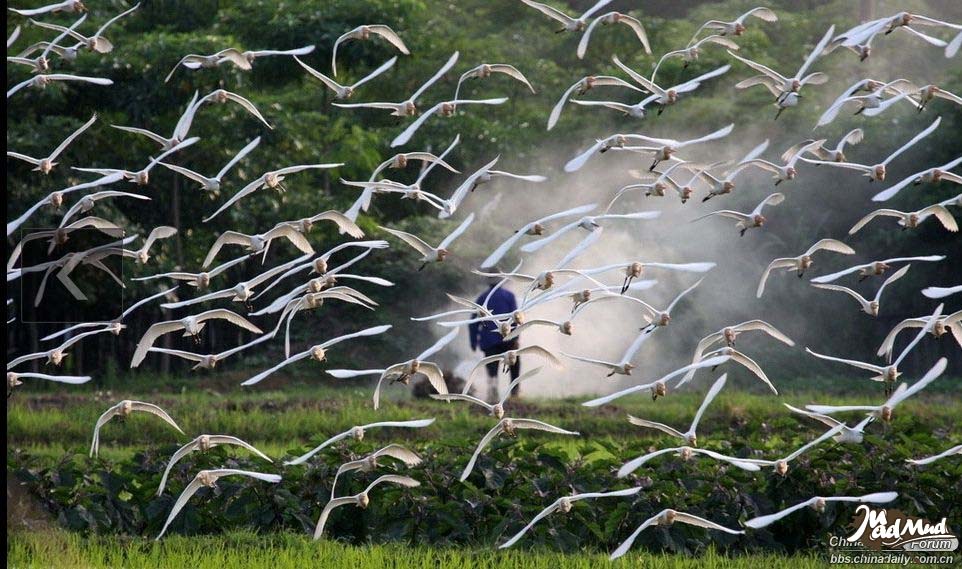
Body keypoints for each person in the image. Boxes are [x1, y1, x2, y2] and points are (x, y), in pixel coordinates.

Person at [468, 276, 521, 402]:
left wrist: (473, 342)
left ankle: (493, 393)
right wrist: (516, 337)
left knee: (492, 367)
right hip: (508, 339)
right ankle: (515, 392)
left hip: (489, 340)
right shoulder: (509, 296)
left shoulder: (481, 298)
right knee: (514, 364)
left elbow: (473, 322)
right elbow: (516, 318)